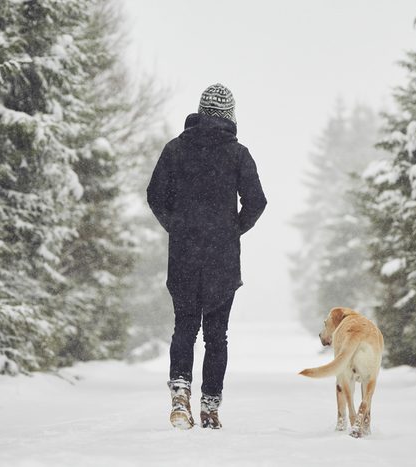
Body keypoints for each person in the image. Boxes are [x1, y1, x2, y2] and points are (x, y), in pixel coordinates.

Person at [147, 83, 267, 430]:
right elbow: (257, 201)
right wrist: (232, 230)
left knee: (184, 326)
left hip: (183, 255)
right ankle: (210, 408)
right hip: (222, 259)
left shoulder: (175, 149)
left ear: (199, 112)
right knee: (217, 335)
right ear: (230, 116)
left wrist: (178, 226)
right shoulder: (238, 154)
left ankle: (180, 397)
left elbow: (155, 195)